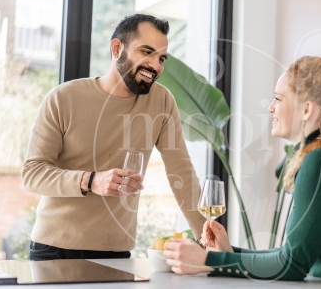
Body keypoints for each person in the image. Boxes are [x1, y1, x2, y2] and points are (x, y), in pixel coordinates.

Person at [163, 56, 321, 288]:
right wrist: (229, 253)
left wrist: (206, 262)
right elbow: (290, 256)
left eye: (279, 99)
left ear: (306, 110)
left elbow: (293, 265)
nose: (271, 108)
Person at [22, 14, 206, 261]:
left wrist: (206, 239)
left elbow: (182, 173)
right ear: (117, 48)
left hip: (116, 252)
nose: (156, 65)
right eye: (147, 52)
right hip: (54, 250)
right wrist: (92, 181)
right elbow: (32, 173)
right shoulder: (63, 98)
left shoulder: (162, 102)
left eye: (161, 58)